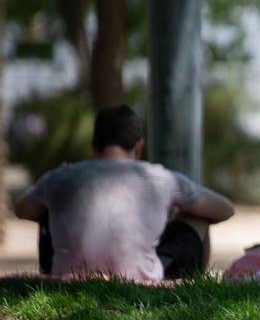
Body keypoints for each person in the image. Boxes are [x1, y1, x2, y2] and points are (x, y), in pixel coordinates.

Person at [13, 104, 235, 280]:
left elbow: (22, 209)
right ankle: (191, 285)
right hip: (140, 278)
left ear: (94, 146)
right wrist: (172, 211)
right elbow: (224, 210)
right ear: (138, 147)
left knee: (44, 212)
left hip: (66, 278)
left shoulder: (60, 176)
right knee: (198, 217)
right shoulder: (161, 178)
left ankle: (55, 270)